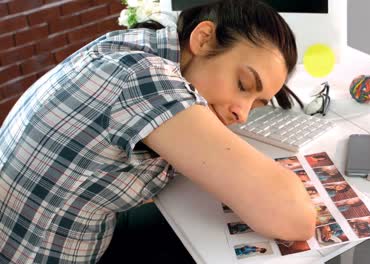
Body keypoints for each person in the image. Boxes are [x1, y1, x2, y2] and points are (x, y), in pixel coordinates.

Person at [0, 0, 316, 263]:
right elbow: (293, 218)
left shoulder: (133, 46)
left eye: (256, 104)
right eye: (243, 85)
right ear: (204, 38)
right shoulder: (147, 80)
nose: (242, 114)